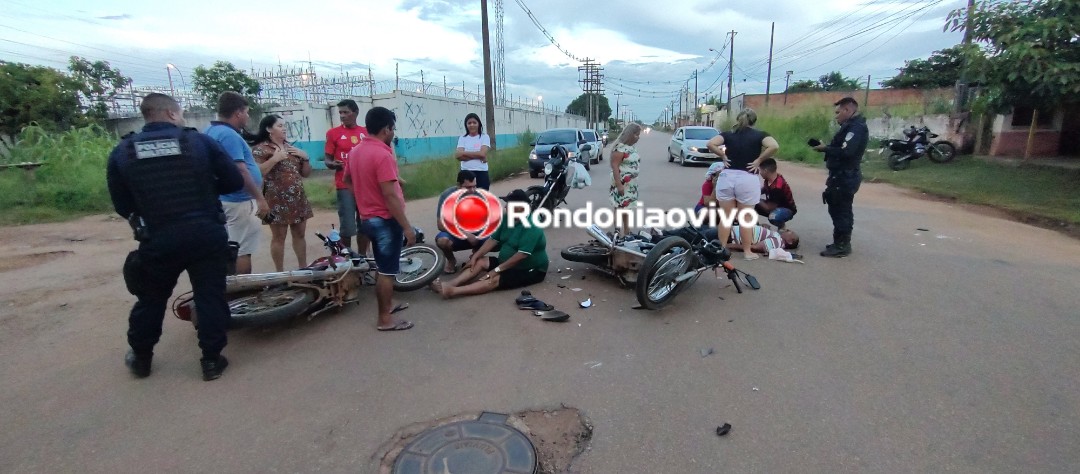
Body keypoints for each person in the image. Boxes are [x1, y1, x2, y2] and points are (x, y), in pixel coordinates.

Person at [107, 93, 243, 381]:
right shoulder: (199, 143)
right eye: (180, 113)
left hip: (158, 237)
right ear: (170, 114)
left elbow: (122, 204)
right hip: (205, 232)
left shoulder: (124, 150)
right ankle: (211, 360)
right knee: (209, 295)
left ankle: (141, 358)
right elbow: (233, 181)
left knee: (151, 298)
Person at [345, 106, 416, 332]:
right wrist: (407, 227)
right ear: (386, 129)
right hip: (385, 220)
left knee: (382, 266)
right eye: (393, 128)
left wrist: (364, 198)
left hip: (368, 218)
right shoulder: (383, 154)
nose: (393, 133)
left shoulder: (356, 151)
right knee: (387, 271)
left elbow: (347, 181)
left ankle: (388, 306)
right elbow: (389, 195)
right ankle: (384, 319)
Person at [430, 189, 548, 299]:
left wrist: (496, 270)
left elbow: (521, 255)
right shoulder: (508, 218)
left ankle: (453, 291)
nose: (506, 207)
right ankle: (451, 283)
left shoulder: (533, 225)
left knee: (494, 278)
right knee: (480, 261)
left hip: (530, 269)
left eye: (510, 204)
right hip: (506, 262)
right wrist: (475, 257)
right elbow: (493, 240)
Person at [205, 91, 269, 275]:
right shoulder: (229, 135)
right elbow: (240, 170)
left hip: (224, 199)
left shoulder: (210, 131)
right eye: (247, 112)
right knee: (241, 250)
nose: (248, 116)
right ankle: (243, 291)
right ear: (238, 112)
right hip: (239, 201)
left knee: (231, 246)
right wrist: (260, 198)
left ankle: (233, 288)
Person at [706, 109, 779, 260]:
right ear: (754, 121)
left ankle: (721, 250)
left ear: (738, 119)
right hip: (747, 178)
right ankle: (747, 252)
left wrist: (722, 155)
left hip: (727, 177)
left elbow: (711, 143)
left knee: (726, 217)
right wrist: (759, 160)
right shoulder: (760, 135)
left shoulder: (728, 134)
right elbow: (774, 146)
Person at [250, 114, 314, 272]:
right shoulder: (261, 149)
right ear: (269, 129)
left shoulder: (292, 148)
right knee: (279, 237)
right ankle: (280, 273)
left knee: (299, 234)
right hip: (275, 200)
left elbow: (306, 174)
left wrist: (305, 158)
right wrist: (275, 159)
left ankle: (303, 269)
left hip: (297, 199)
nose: (284, 128)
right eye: (280, 125)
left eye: (284, 125)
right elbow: (257, 172)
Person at [812, 97, 868, 258]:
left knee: (841, 210)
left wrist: (826, 149)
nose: (836, 116)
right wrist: (828, 148)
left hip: (846, 176)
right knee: (836, 207)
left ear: (848, 111)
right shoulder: (849, 127)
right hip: (840, 175)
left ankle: (842, 245)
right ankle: (839, 242)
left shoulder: (856, 128)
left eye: (838, 112)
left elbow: (847, 152)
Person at [324, 99, 369, 255]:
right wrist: (333, 164)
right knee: (347, 226)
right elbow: (327, 159)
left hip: (365, 185)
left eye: (346, 112)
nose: (342, 116)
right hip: (344, 185)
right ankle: (347, 258)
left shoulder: (366, 132)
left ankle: (363, 257)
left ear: (355, 113)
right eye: (340, 113)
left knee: (365, 223)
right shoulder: (333, 134)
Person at [435, 170, 488, 273]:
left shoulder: (480, 195)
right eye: (468, 187)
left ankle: (476, 255)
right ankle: (451, 260)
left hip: (476, 233)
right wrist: (465, 234)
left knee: (496, 237)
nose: (472, 190)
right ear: (459, 185)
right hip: (457, 234)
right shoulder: (447, 196)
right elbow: (441, 225)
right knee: (443, 241)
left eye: (474, 186)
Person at [609, 122, 643, 236]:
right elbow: (614, 166)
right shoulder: (620, 148)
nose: (638, 137)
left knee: (628, 209)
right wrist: (619, 184)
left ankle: (627, 231)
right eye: (636, 135)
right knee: (619, 208)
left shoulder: (631, 148)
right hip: (622, 184)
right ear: (630, 134)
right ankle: (617, 233)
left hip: (631, 185)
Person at [755, 158, 797, 229]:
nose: (760, 173)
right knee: (750, 205)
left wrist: (755, 198)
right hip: (776, 206)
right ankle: (756, 228)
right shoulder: (770, 179)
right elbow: (762, 190)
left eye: (760, 170)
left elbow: (769, 208)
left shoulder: (777, 187)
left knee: (773, 217)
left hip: (787, 209)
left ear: (765, 171)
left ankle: (783, 229)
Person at [455, 113, 492, 190]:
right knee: (466, 197)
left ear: (479, 124)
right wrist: (478, 156)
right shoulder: (462, 138)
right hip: (465, 173)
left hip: (481, 172)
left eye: (474, 122)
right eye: (469, 123)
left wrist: (463, 153)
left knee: (482, 198)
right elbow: (458, 156)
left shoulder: (484, 137)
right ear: (466, 125)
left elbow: (482, 154)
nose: (472, 125)